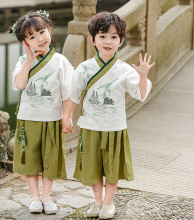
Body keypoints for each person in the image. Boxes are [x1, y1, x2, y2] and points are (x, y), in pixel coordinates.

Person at [62, 11, 155, 219]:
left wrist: (142, 76)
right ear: (92, 39)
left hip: (114, 127)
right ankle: (97, 202)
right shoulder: (84, 69)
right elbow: (73, 95)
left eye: (114, 37)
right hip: (90, 126)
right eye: (102, 36)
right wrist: (66, 116)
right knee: (93, 168)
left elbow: (141, 95)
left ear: (121, 41)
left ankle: (108, 204)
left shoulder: (125, 70)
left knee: (112, 169)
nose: (108, 41)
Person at [9, 10, 73, 215]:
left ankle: (46, 196)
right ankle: (34, 197)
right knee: (30, 160)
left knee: (50, 159)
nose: (39, 39)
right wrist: (28, 59)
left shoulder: (61, 61)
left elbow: (68, 93)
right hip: (28, 119)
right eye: (31, 37)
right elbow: (19, 84)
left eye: (41, 32)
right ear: (25, 42)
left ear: (50, 30)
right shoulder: (22, 62)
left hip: (52, 119)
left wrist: (67, 116)